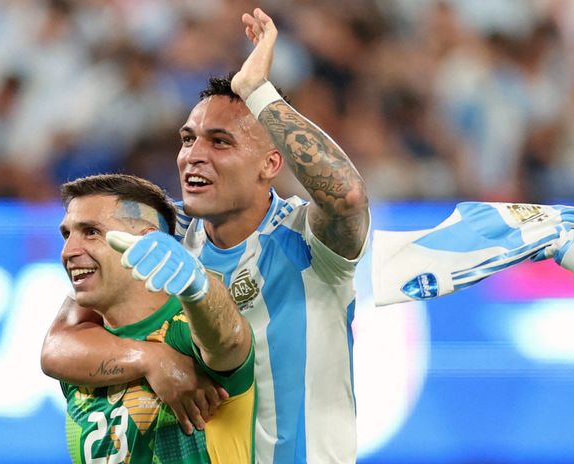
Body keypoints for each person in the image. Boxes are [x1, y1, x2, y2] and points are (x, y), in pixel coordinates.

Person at [42, 8, 370, 463]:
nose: (193, 156)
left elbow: (348, 197)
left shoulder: (309, 241)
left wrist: (257, 92)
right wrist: (150, 359)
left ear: (270, 165)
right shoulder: (163, 235)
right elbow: (58, 345)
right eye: (187, 138)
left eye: (219, 141)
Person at [57, 173, 255, 463]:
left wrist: (197, 284)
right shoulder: (83, 354)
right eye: (66, 234)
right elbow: (53, 350)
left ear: (146, 242)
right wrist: (148, 358)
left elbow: (228, 340)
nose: (68, 251)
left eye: (91, 232)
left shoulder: (187, 333)